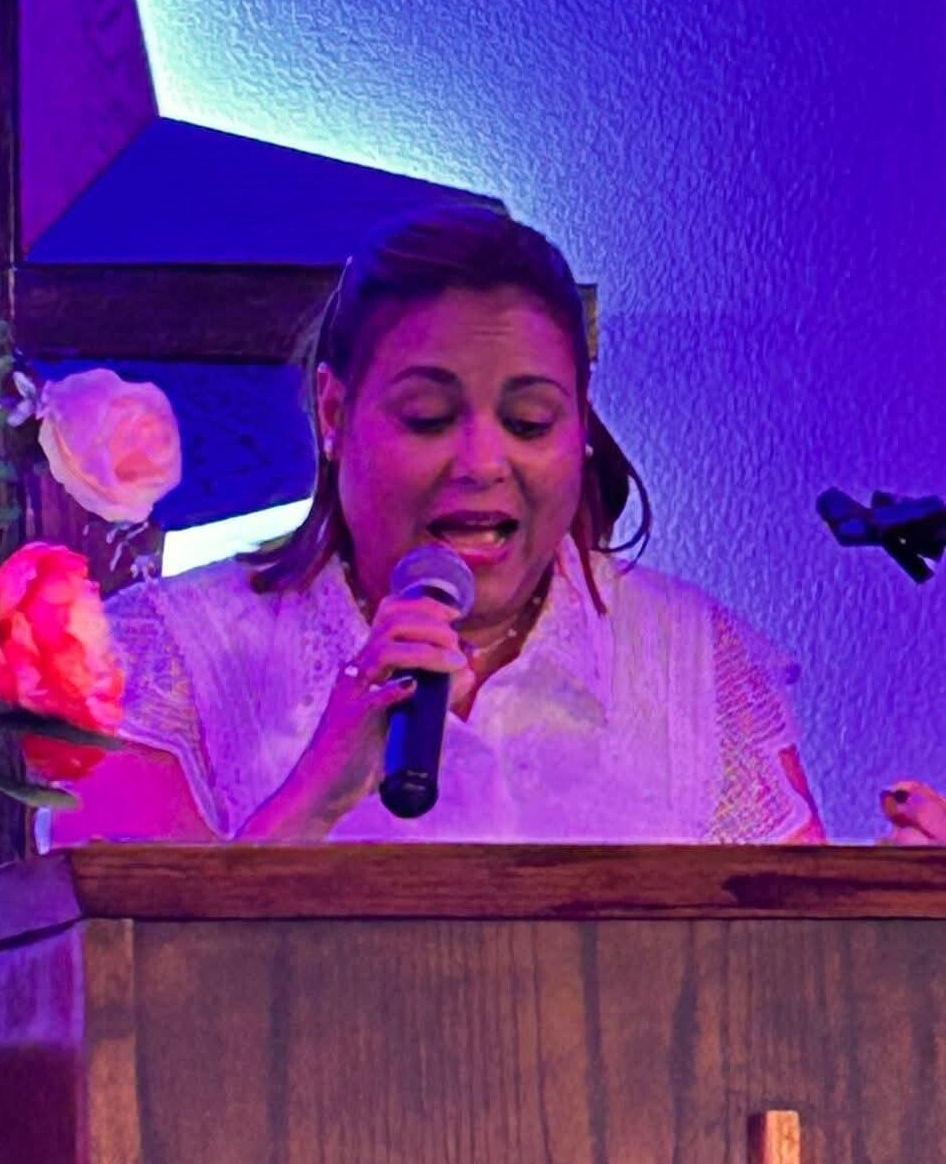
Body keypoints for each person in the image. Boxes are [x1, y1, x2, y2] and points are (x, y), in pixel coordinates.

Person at [50, 207, 916, 846]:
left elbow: (789, 984)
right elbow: (121, 994)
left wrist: (899, 924)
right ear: (334, 413)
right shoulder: (169, 658)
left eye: (530, 422)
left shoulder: (697, 663)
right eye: (428, 417)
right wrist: (315, 794)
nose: (481, 462)